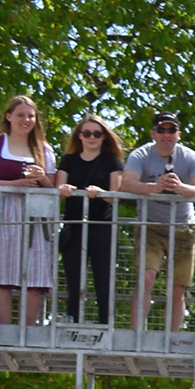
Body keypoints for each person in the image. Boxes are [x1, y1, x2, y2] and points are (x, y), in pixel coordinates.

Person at [0, 95, 60, 329]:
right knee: (2, 272)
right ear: (8, 117)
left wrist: (42, 178)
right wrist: (13, 185)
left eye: (30, 116)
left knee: (37, 272)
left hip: (35, 216)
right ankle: (4, 330)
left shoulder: (44, 149)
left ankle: (29, 331)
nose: (26, 120)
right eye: (20, 115)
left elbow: (54, 190)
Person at [121, 111, 195, 331]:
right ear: (153, 133)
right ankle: (137, 335)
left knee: (178, 288)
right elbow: (126, 184)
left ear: (178, 134)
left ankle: (172, 337)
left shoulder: (191, 157)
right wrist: (155, 187)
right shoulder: (140, 155)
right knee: (146, 277)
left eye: (171, 130)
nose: (166, 134)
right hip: (150, 226)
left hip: (183, 229)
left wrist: (181, 188)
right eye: (161, 130)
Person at [55, 115, 124, 324]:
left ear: (104, 137)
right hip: (74, 226)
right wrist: (64, 189)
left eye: (97, 133)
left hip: (102, 226)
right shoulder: (68, 160)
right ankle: (73, 321)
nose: (91, 137)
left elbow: (116, 194)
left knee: (103, 280)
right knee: (74, 280)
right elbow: (58, 189)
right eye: (87, 133)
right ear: (79, 136)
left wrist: (101, 192)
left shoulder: (112, 161)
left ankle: (105, 325)